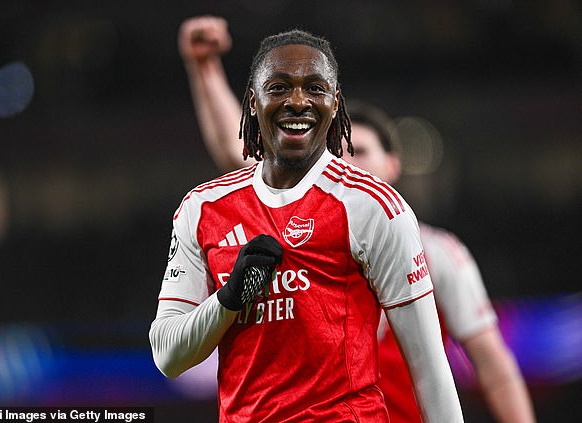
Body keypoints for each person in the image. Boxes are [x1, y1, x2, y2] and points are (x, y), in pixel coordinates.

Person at [176, 15, 536, 423]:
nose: (347, 164)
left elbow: (492, 365)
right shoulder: (294, 229)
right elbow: (238, 149)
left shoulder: (439, 255)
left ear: (393, 164)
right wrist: (205, 68)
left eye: (361, 152)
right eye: (339, 153)